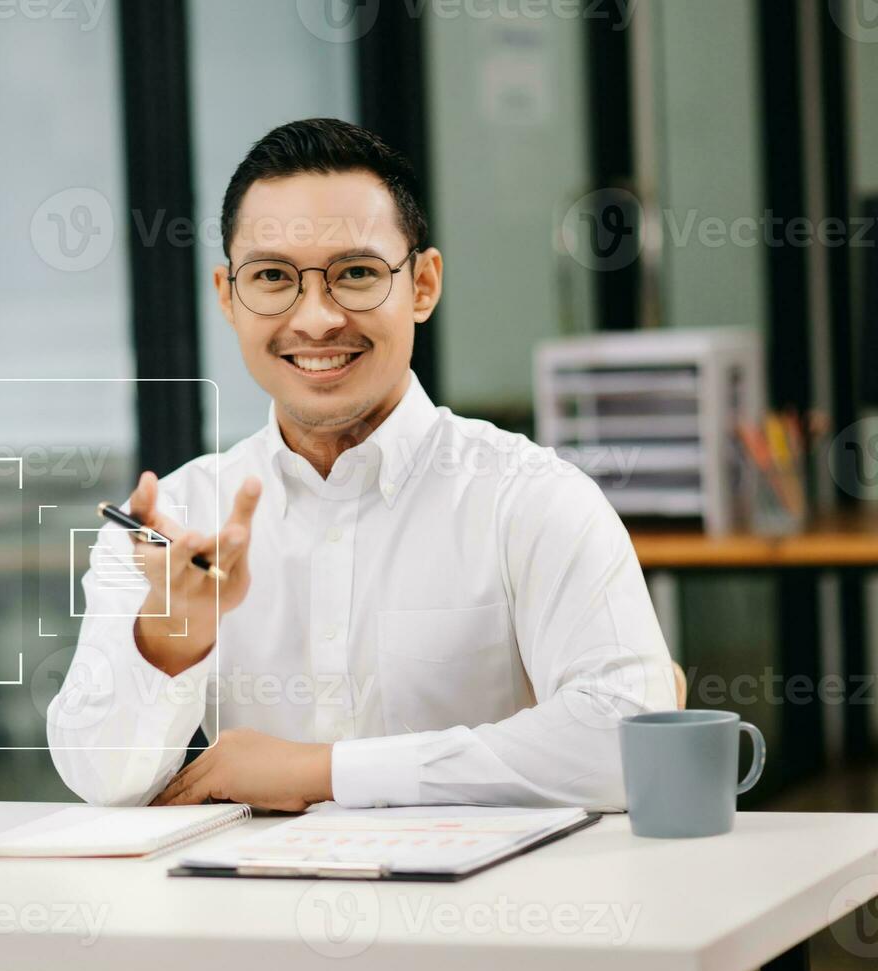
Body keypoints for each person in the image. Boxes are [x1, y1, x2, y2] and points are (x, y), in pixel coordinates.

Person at [47, 118, 677, 811]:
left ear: (424, 284)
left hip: (493, 914)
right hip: (246, 913)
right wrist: (173, 637)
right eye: (272, 278)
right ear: (228, 296)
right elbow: (100, 779)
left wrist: (321, 773)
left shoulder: (530, 498)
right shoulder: (171, 525)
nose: (315, 318)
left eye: (355, 273)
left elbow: (630, 739)